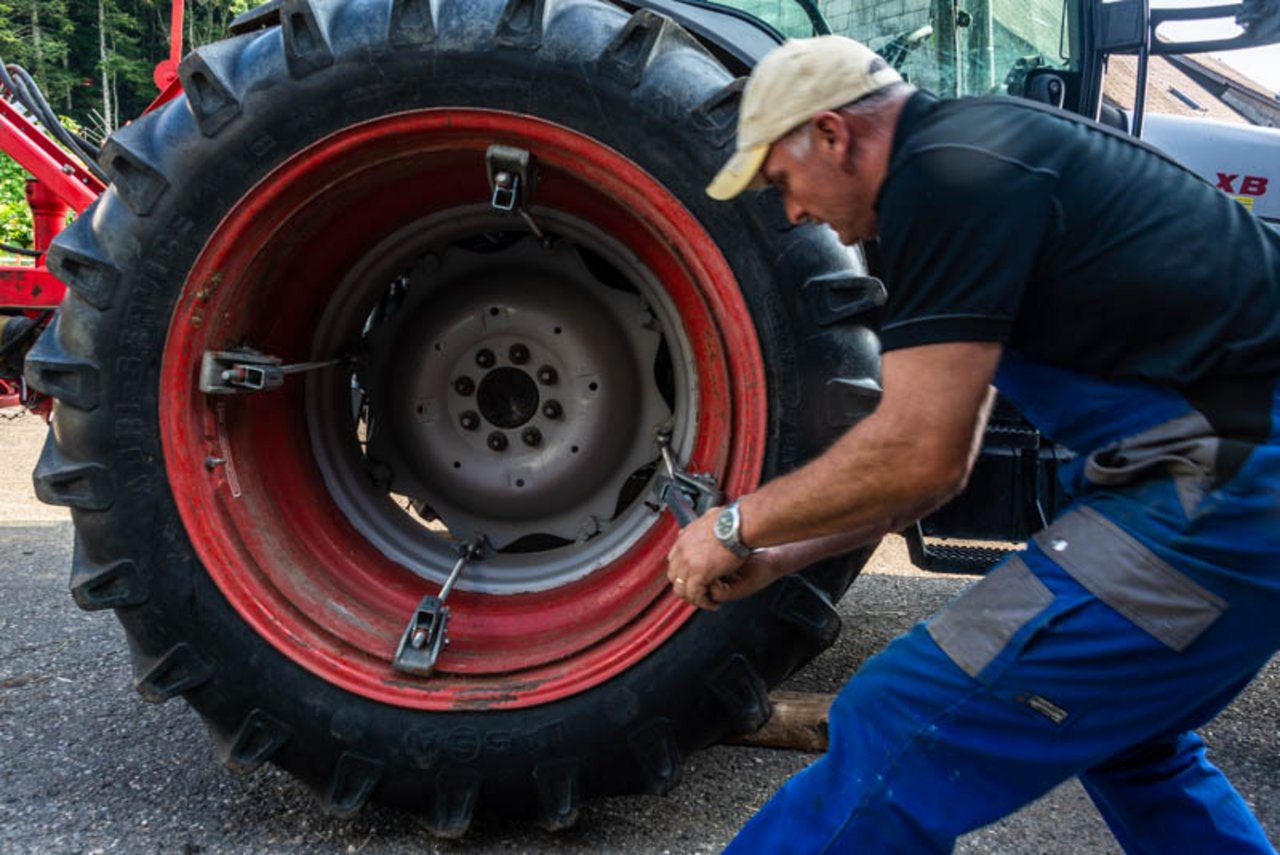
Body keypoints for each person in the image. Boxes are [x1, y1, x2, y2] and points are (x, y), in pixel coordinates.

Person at [665, 34, 1280, 853]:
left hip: (1226, 493)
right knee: (1130, 741)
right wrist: (782, 557)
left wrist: (735, 526)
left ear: (832, 134)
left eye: (782, 180)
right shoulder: (978, 154)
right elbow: (937, 472)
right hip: (1227, 488)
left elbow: (913, 451)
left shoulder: (947, 177)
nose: (794, 211)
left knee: (902, 715)